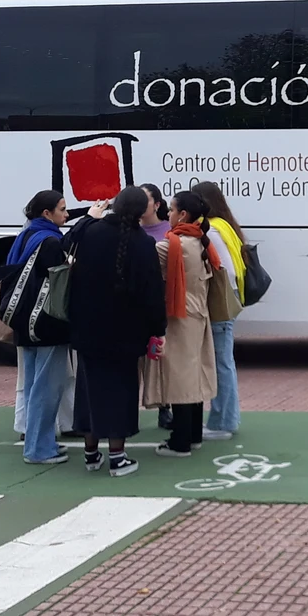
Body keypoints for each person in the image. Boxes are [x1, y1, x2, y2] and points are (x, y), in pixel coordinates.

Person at [67, 186, 165, 477]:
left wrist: (88, 216)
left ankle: (90, 453)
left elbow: (66, 242)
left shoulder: (91, 233)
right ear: (141, 211)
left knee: (88, 390)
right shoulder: (143, 244)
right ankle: (118, 456)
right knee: (121, 391)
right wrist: (156, 329)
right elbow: (152, 294)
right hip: (126, 331)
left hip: (87, 326)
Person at [146, 191, 221, 457]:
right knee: (193, 374)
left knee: (180, 377)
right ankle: (194, 434)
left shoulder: (174, 245)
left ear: (183, 215)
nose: (168, 213)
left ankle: (181, 441)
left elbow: (143, 257)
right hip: (198, 313)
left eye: (172, 209)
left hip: (179, 315)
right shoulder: (200, 240)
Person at [7, 190, 75, 465]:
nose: (67, 214)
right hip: (47, 322)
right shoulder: (50, 242)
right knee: (47, 388)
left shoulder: (26, 235)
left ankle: (41, 442)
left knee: (34, 384)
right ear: (47, 213)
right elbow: (60, 280)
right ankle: (38, 448)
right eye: (62, 209)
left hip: (25, 321)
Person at [192, 181, 247, 440]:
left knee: (221, 362)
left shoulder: (210, 230)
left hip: (219, 301)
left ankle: (223, 421)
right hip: (230, 298)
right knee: (224, 361)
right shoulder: (225, 225)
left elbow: (220, 269)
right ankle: (225, 418)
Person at [138, 183, 172, 432]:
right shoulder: (131, 231)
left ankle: (165, 407)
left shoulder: (169, 231)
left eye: (145, 200)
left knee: (160, 357)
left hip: (162, 303)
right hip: (135, 305)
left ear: (157, 205)